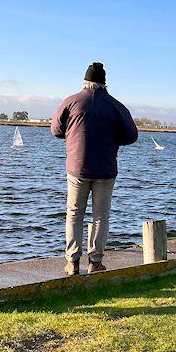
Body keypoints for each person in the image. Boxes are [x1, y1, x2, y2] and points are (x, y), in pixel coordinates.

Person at [51, 62, 138, 276]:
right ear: (104, 83)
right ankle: (95, 262)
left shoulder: (71, 102)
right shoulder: (115, 105)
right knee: (100, 217)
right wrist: (113, 139)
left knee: (74, 214)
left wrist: (72, 135)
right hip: (105, 169)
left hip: (77, 168)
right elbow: (132, 135)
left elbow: (55, 130)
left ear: (85, 81)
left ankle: (72, 262)